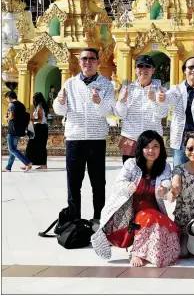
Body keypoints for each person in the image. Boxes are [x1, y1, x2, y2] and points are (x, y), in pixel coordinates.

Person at [91, 130, 180, 267]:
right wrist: (128, 185)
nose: (151, 150)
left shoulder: (164, 166)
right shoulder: (131, 164)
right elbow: (118, 184)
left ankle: (150, 251)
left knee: (170, 228)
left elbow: (166, 184)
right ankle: (136, 252)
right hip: (128, 210)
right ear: (140, 148)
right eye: (147, 147)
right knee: (149, 218)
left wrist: (165, 191)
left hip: (152, 208)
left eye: (155, 146)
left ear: (161, 148)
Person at [53, 47, 115, 227]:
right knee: (73, 183)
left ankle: (99, 220)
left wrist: (99, 102)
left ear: (98, 62)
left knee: (98, 183)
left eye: (92, 59)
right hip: (75, 137)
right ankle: (74, 221)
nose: (88, 62)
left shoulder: (106, 84)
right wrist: (61, 101)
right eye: (84, 59)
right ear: (80, 62)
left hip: (96, 139)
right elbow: (60, 110)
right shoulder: (70, 83)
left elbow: (109, 111)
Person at [157, 56, 194, 166]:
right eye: (190, 67)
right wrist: (163, 98)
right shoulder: (177, 89)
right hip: (181, 139)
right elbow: (170, 97)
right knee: (179, 176)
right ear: (185, 70)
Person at [115, 55, 168, 163]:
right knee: (130, 175)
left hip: (152, 140)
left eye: (147, 66)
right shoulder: (127, 89)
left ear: (153, 70)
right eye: (140, 66)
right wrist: (122, 101)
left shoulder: (161, 90)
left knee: (153, 176)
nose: (144, 69)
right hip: (131, 138)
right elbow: (120, 115)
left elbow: (163, 114)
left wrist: (153, 101)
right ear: (135, 69)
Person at [3, 91, 32, 172]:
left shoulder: (11, 104)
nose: (8, 100)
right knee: (13, 149)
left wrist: (6, 118)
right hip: (19, 129)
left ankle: (27, 163)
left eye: (7, 98)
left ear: (9, 97)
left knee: (12, 149)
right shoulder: (21, 105)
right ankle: (8, 167)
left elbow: (11, 116)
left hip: (12, 129)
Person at [24, 92, 49, 170]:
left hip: (40, 128)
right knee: (41, 147)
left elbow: (40, 119)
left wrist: (30, 120)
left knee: (30, 146)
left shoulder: (39, 107)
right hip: (42, 128)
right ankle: (42, 164)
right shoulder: (42, 106)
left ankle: (28, 163)